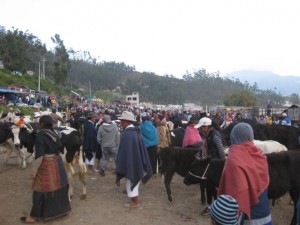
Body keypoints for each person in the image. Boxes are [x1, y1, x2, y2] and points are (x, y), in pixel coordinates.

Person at [218, 122, 272, 225]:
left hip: (247, 219)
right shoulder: (260, 155)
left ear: (233, 136)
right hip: (265, 215)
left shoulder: (234, 158)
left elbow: (235, 198)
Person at [20, 115, 71, 223]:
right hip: (57, 163)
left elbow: (40, 156)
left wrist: (34, 170)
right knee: (60, 185)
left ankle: (33, 217)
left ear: (42, 124)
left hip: (46, 164)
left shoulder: (41, 136)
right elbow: (60, 147)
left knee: (39, 188)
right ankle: (61, 210)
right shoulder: (55, 133)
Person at [115, 111, 153, 208]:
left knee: (131, 181)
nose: (120, 123)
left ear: (126, 122)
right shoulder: (136, 132)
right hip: (137, 161)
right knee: (133, 181)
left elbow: (124, 151)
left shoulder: (127, 134)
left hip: (131, 162)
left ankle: (135, 202)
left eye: (121, 121)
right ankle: (135, 201)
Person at [195, 117, 225, 216]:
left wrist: (222, 164)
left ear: (205, 126)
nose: (199, 129)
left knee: (213, 187)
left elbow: (221, 150)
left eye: (201, 127)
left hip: (216, 163)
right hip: (211, 162)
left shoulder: (214, 135)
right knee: (209, 186)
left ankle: (217, 208)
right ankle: (211, 207)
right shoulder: (209, 135)